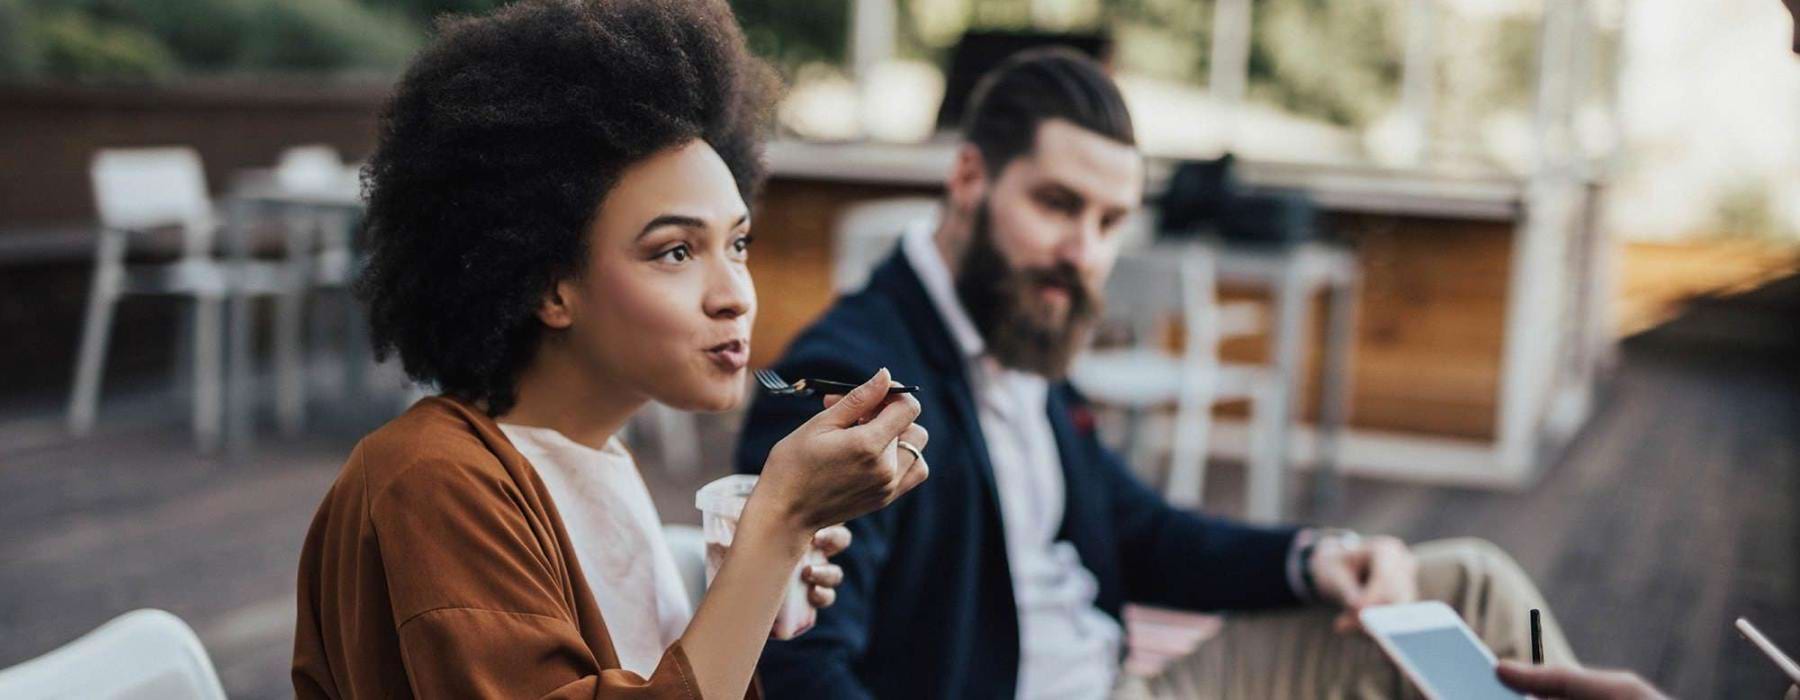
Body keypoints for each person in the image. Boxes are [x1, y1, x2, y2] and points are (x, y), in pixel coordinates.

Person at [733, 48, 1574, 699]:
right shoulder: (852, 377)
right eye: (1058, 206)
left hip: (1132, 682)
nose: (1085, 253)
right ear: (968, 178)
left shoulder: (1014, 330)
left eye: (1110, 221)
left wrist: (1312, 555)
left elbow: (1138, 530)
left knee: (1469, 585)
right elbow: (799, 661)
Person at [290, 1, 930, 698]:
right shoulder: (430, 482)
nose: (735, 295)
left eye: (737, 243)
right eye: (676, 251)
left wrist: (755, 577)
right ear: (549, 285)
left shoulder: (593, 456)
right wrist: (778, 524)